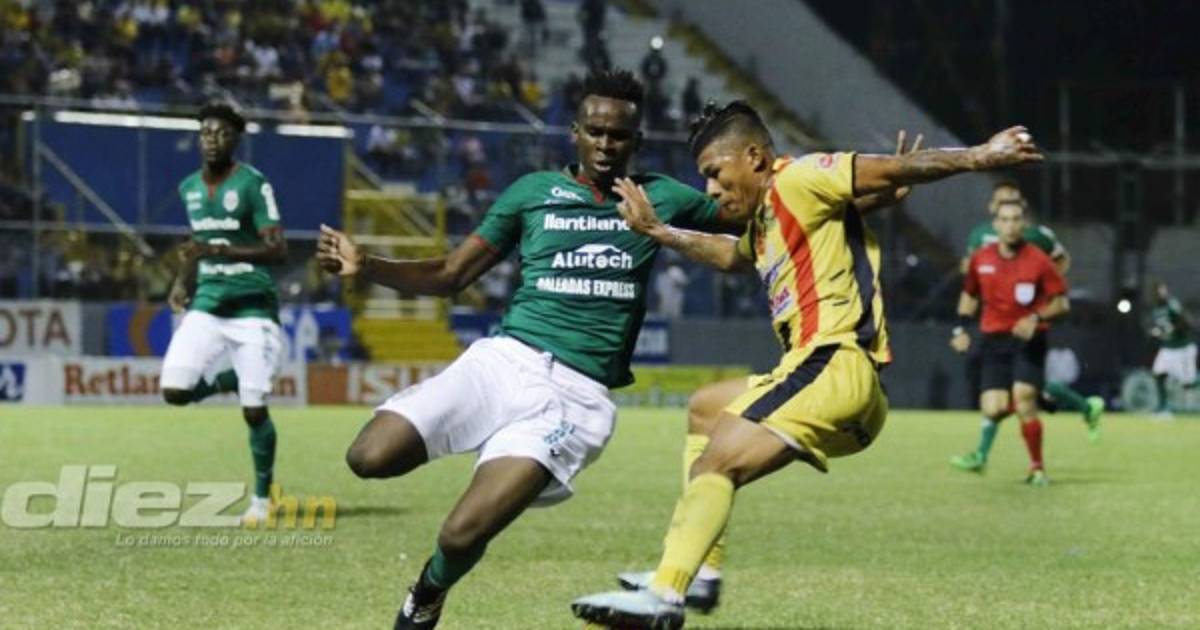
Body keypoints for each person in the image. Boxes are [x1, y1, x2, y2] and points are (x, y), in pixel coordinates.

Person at [569, 100, 1043, 628]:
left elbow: (892, 168)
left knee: (715, 464)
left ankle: (666, 593)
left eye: (715, 172)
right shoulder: (767, 220)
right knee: (706, 409)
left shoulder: (799, 178)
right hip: (835, 382)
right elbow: (728, 255)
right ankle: (700, 573)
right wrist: (659, 232)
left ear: (754, 157)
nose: (711, 189)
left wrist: (981, 155)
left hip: (833, 362)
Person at [315, 69, 726, 630]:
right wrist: (368, 265)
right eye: (595, 131)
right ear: (575, 133)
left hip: (574, 399)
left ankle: (428, 593)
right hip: (503, 363)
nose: (606, 144)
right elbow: (451, 274)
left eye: (619, 135)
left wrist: (685, 219)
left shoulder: (661, 197)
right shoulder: (531, 194)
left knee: (461, 533)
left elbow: (746, 222)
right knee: (369, 456)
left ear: (638, 141)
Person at [160, 102, 288, 525]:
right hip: (209, 304)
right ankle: (226, 381)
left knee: (254, 408)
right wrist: (181, 283)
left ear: (236, 140)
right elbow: (195, 244)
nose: (212, 140)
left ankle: (261, 502)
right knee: (174, 391)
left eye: (222, 134)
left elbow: (278, 250)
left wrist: (221, 249)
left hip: (253, 305)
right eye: (206, 133)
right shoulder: (188, 188)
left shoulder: (253, 184)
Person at [951, 185, 1102, 477]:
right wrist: (960, 328)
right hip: (993, 336)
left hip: (1028, 336)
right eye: (1004, 218)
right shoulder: (981, 252)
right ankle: (1063, 402)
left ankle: (1037, 469)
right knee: (994, 408)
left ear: (1024, 221)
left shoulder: (1038, 255)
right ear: (995, 220)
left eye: (1015, 218)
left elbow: (1061, 296)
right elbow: (969, 292)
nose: (1010, 225)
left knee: (1023, 396)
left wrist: (1036, 311)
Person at [1148, 280, 1196, 417]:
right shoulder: (1155, 310)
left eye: (1163, 289)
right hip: (1168, 348)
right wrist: (1156, 332)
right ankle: (1163, 408)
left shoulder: (1172, 304)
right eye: (1159, 290)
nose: (1162, 292)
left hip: (1182, 347)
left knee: (1188, 384)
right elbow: (1158, 327)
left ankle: (1164, 407)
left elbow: (1186, 322)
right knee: (1158, 374)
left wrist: (1176, 328)